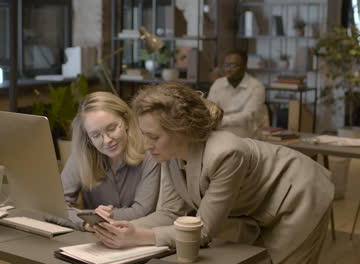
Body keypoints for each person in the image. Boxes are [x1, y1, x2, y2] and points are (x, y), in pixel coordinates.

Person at [93, 83, 334, 264]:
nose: (145, 145)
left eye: (153, 137)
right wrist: (122, 227)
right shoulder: (168, 152)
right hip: (260, 206)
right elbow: (168, 212)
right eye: (145, 135)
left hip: (300, 193)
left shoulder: (226, 153)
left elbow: (205, 229)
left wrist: (137, 237)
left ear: (181, 130)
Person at [57, 91, 160, 230]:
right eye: (95, 135)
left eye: (111, 128)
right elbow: (55, 207)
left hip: (139, 237)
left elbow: (142, 211)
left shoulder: (151, 151)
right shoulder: (82, 154)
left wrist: (92, 217)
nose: (107, 140)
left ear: (126, 120)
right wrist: (86, 222)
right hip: (93, 240)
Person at [208, 50, 266, 138]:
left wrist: (221, 121)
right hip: (219, 135)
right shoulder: (217, 84)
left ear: (245, 67)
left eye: (233, 66)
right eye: (226, 65)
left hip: (246, 138)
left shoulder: (256, 87)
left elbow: (248, 116)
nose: (228, 69)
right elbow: (210, 109)